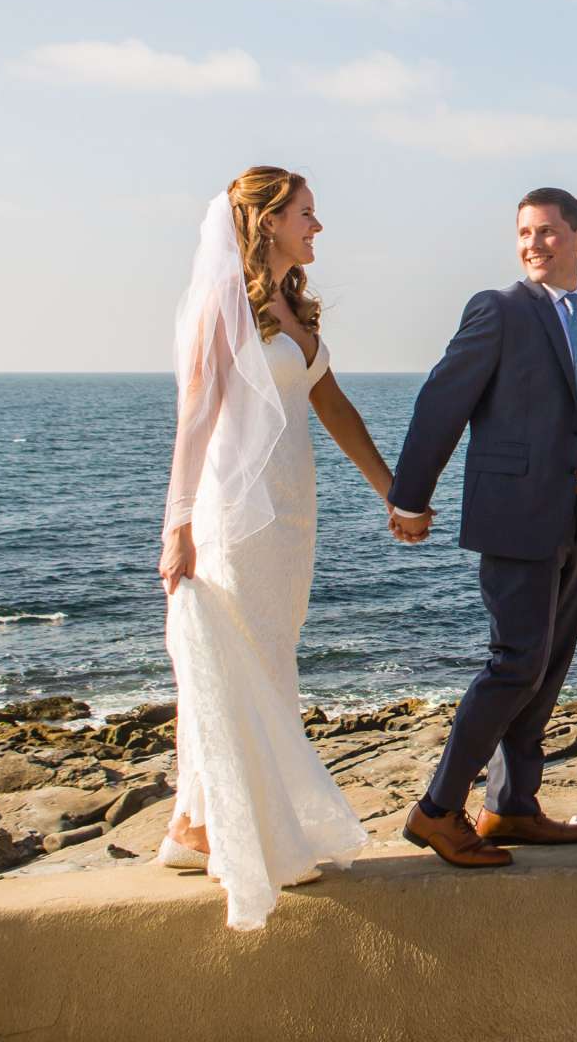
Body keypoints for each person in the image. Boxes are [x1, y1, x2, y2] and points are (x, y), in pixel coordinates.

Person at [386, 186, 577, 868]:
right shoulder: (499, 310)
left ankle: (512, 805)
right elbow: (441, 402)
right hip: (513, 514)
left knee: (546, 669)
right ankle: (436, 809)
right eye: (524, 233)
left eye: (546, 231)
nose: (533, 243)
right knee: (514, 663)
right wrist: (410, 498)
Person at [155, 166, 387, 928]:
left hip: (292, 514)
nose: (317, 229)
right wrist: (178, 521)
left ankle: (193, 827)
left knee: (269, 652)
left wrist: (392, 490)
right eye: (306, 215)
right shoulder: (225, 303)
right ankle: (238, 831)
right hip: (237, 513)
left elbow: (334, 405)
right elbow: (195, 416)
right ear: (268, 223)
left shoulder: (295, 308)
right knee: (241, 659)